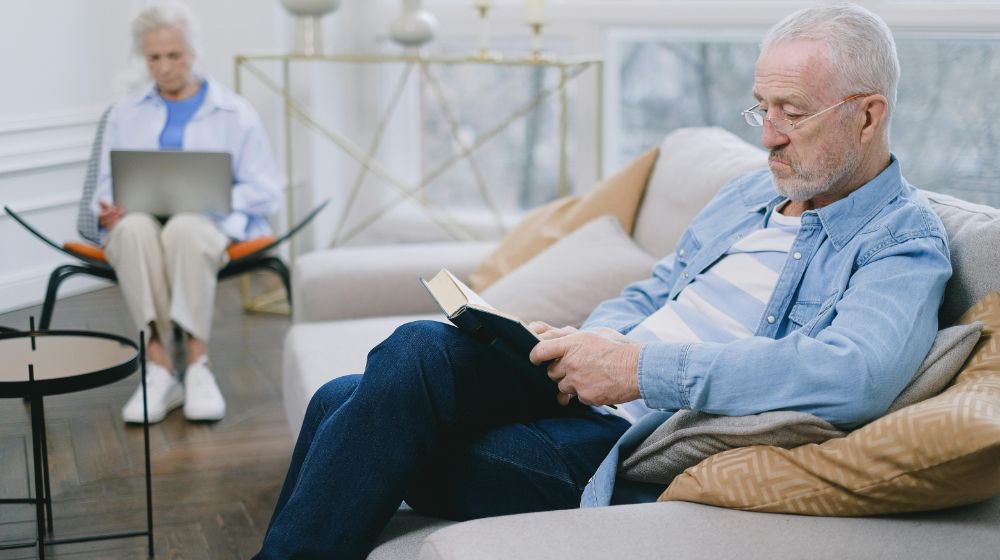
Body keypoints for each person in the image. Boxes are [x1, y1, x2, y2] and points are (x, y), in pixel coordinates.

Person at [254, 3, 952, 558]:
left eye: (793, 113)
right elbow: (657, 287)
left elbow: (853, 374)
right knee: (410, 353)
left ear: (868, 115)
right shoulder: (750, 193)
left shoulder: (903, 242)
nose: (769, 134)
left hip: (628, 447)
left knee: (348, 402)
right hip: (589, 385)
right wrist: (588, 341)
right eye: (761, 108)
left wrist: (640, 369)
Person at [92, 3, 281, 424]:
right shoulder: (125, 112)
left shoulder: (234, 112)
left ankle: (197, 364)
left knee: (185, 229)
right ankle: (159, 367)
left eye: (173, 56)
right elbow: (106, 183)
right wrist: (108, 211)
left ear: (192, 54)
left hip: (207, 224)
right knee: (131, 232)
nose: (163, 67)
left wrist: (222, 207)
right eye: (154, 57)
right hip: (142, 220)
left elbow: (265, 190)